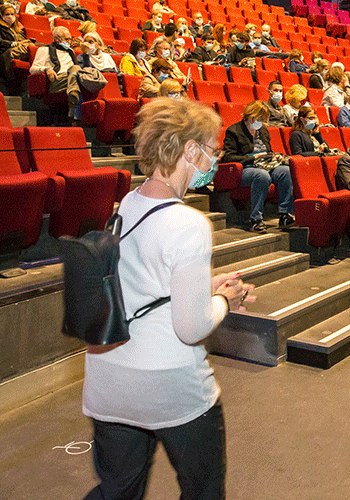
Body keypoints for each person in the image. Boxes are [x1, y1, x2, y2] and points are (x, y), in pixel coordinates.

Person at [82, 98, 252, 500]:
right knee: (203, 492)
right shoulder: (188, 223)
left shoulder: (126, 204)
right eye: (212, 151)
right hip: (170, 388)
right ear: (190, 151)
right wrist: (225, 299)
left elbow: (142, 279)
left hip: (109, 383)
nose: (214, 160)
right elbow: (191, 327)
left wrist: (203, 286)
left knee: (117, 491)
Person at [221, 101, 295, 233]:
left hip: (265, 164)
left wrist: (273, 156)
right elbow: (228, 157)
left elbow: (268, 150)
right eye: (259, 119)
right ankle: (256, 219)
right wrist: (254, 157)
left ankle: (284, 214)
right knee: (261, 175)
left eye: (263, 119)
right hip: (246, 167)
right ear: (250, 115)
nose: (261, 122)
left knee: (285, 171)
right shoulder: (234, 130)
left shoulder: (263, 130)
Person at [29, 26, 81, 117]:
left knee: (82, 72)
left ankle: (74, 98)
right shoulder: (44, 50)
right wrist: (47, 69)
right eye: (67, 39)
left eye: (70, 39)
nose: (69, 42)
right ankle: (74, 111)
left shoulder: (71, 51)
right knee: (77, 71)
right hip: (57, 80)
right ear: (57, 39)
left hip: (71, 79)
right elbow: (32, 69)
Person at [0, 4, 34, 84]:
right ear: (1, 15)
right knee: (33, 48)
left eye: (12, 14)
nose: (10, 16)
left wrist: (25, 41)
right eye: (7, 14)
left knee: (43, 47)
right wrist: (15, 43)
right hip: (8, 52)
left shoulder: (17, 29)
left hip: (21, 48)